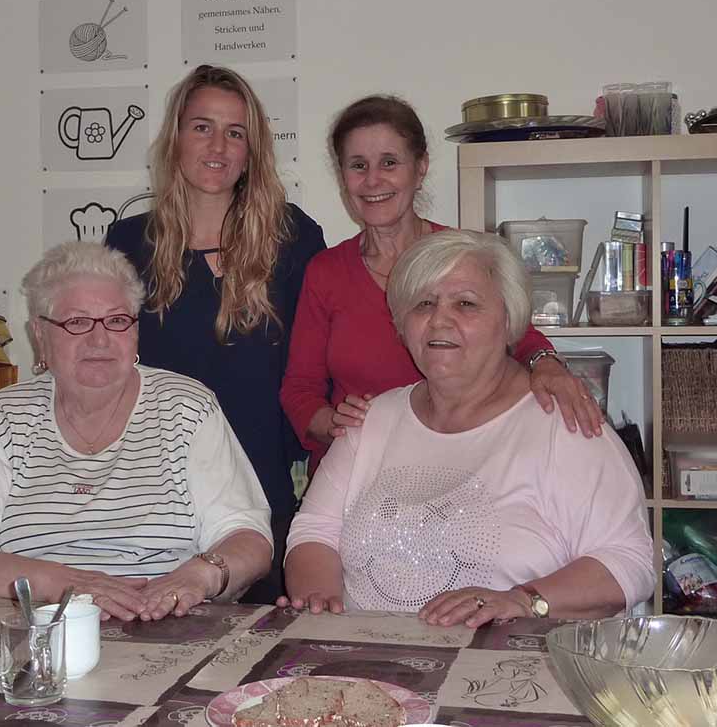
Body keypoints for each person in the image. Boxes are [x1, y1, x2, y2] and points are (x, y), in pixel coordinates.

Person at [280, 230, 654, 625]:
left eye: (466, 304)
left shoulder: (564, 424)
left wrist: (520, 600)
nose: (440, 320)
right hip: (368, 668)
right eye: (423, 304)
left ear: (509, 321)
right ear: (402, 325)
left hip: (510, 673)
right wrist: (320, 609)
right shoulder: (369, 421)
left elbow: (629, 562)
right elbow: (315, 532)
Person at [0, 242, 273, 622]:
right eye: (77, 322)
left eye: (116, 320)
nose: (99, 339)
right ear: (40, 336)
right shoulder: (5, 417)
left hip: (164, 625)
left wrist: (198, 576)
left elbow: (250, 540)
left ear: (135, 332)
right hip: (40, 631)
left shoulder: (187, 407)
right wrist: (69, 585)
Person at [280, 95, 601, 473]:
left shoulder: (466, 256)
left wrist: (546, 364)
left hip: (457, 469)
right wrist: (334, 424)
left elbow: (518, 334)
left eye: (389, 163)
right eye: (358, 166)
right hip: (358, 472)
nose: (372, 180)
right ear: (343, 177)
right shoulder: (326, 271)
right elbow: (300, 391)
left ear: (420, 169)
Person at [105, 65, 326, 602]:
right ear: (176, 136)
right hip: (154, 499)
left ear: (253, 149)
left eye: (236, 132)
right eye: (202, 127)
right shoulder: (128, 242)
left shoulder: (294, 237)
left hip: (262, 491)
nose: (218, 146)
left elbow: (320, 366)